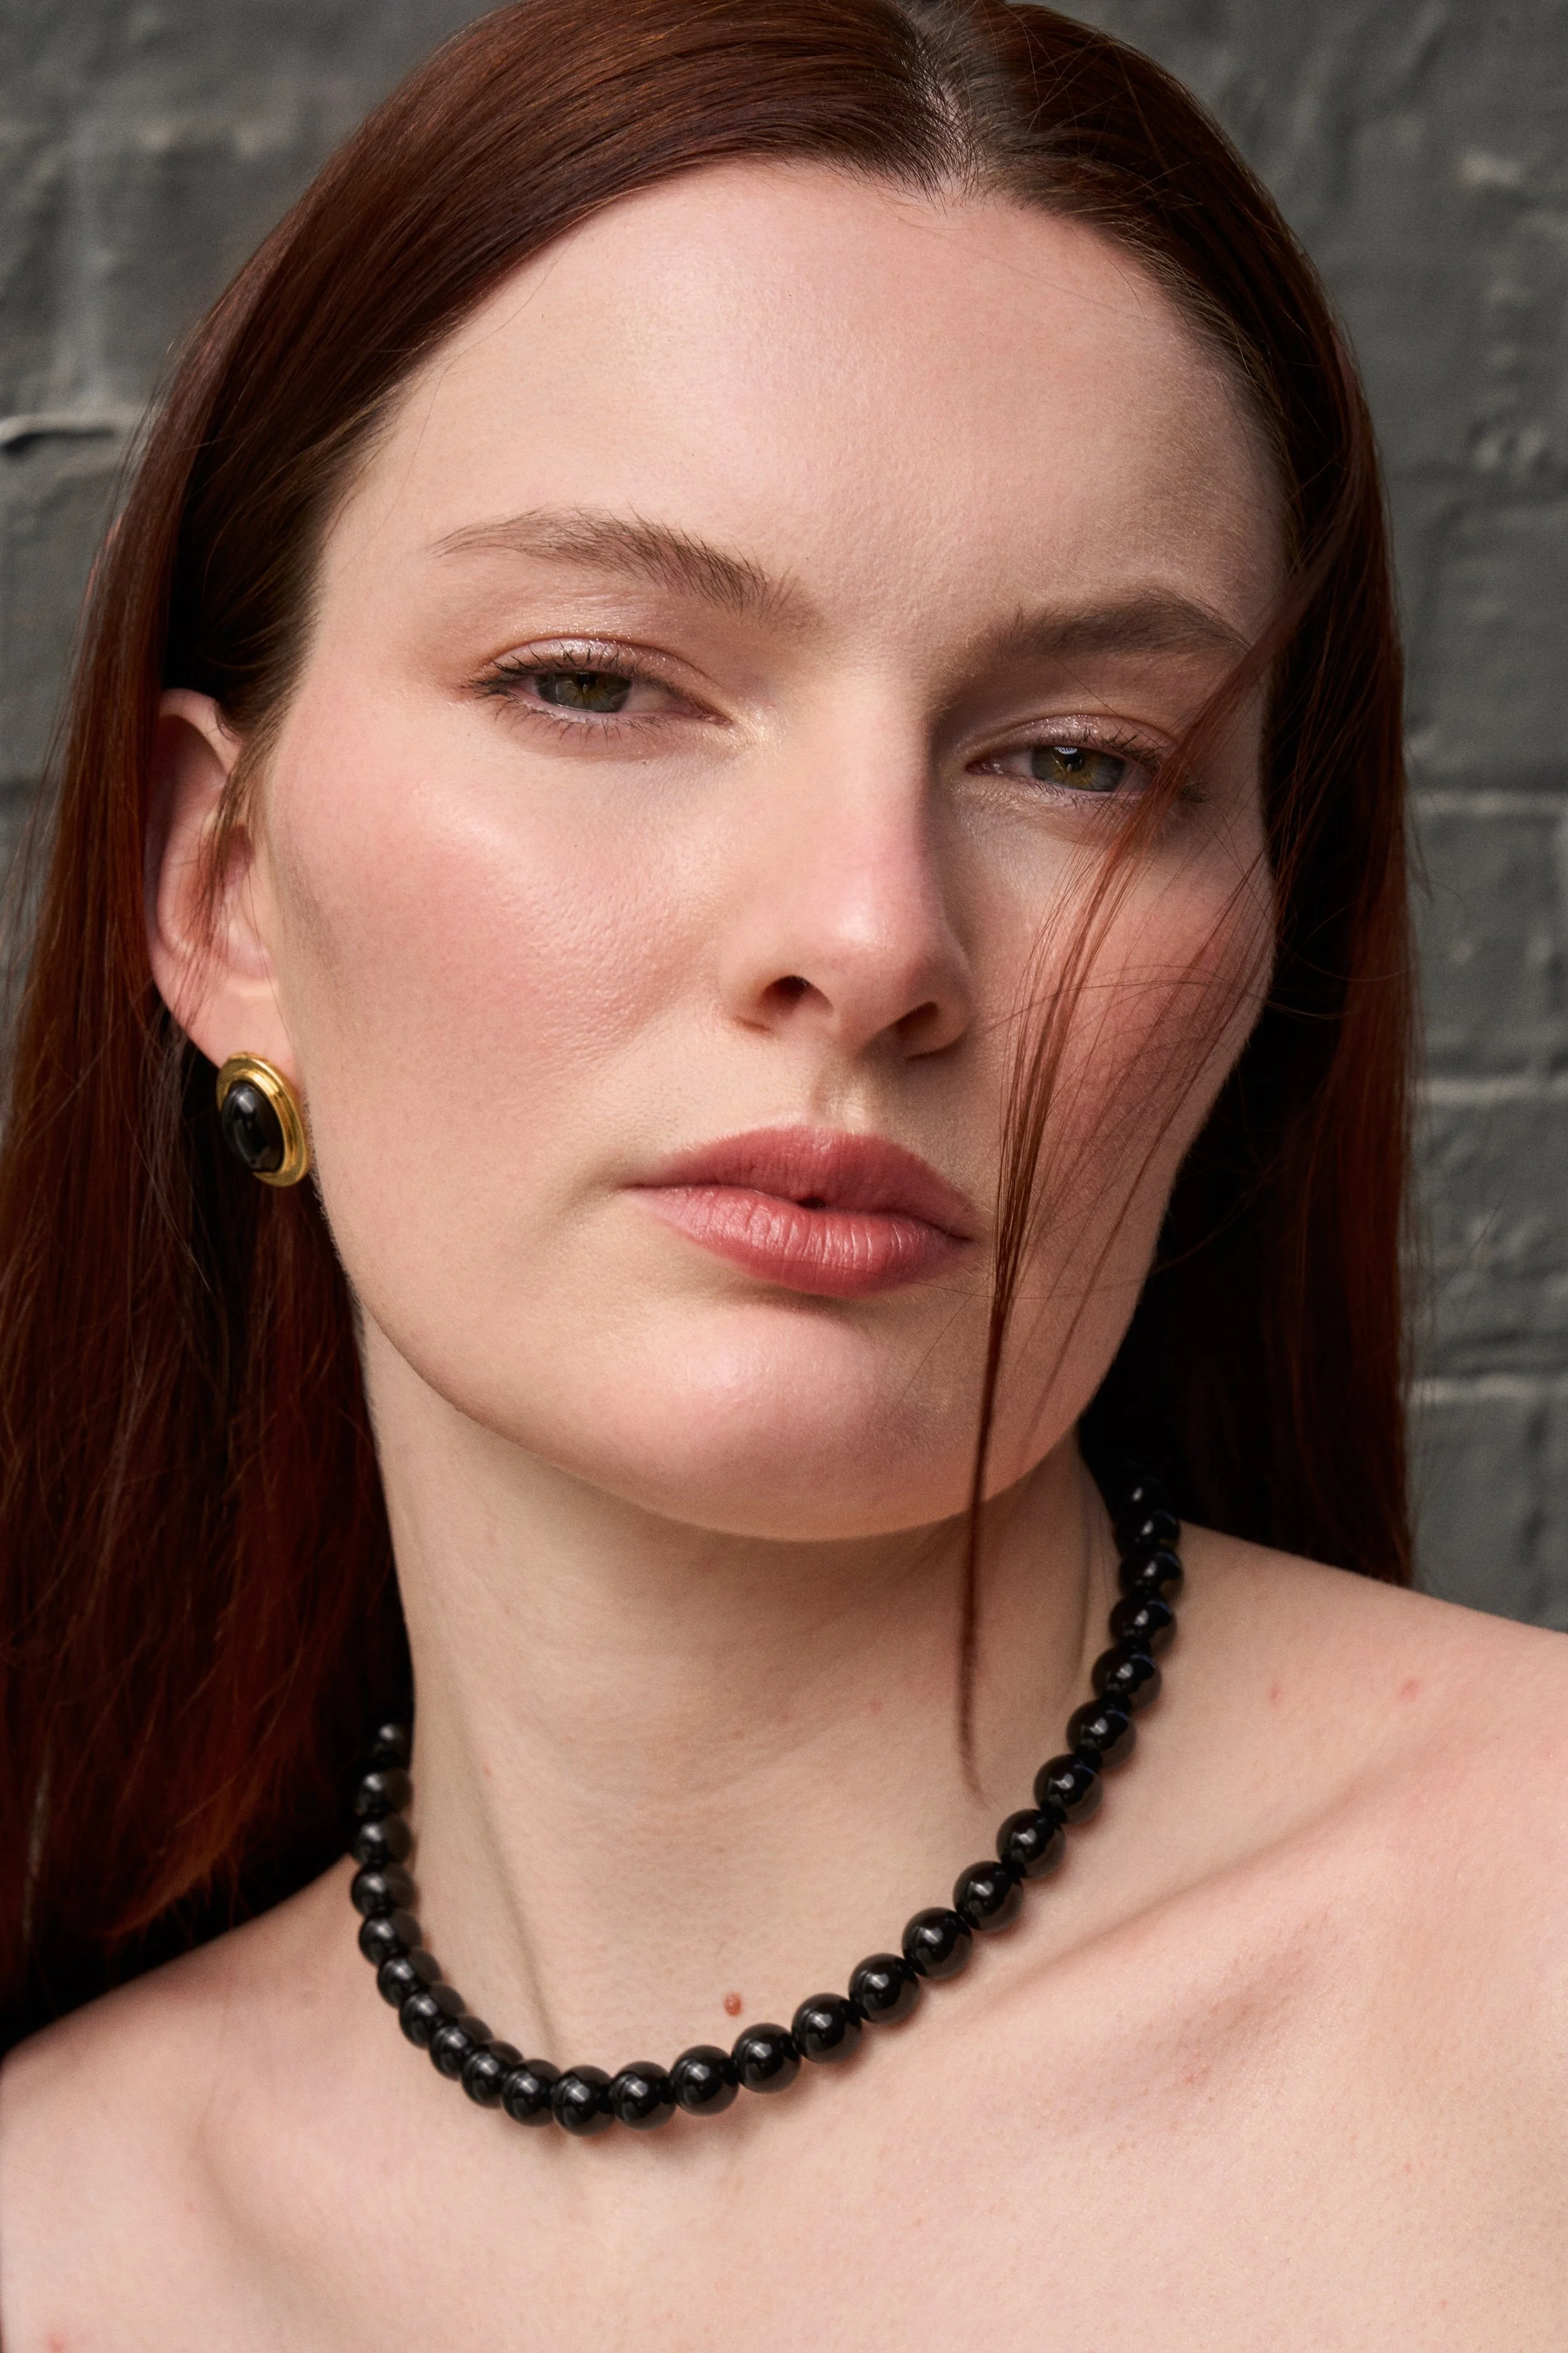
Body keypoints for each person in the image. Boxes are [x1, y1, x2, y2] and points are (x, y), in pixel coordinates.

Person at [1, 0, 1564, 2340]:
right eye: (598, 683)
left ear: (1261, 954)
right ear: (223, 895)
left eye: (1074, 756)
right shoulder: (62, 2228)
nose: (866, 935)